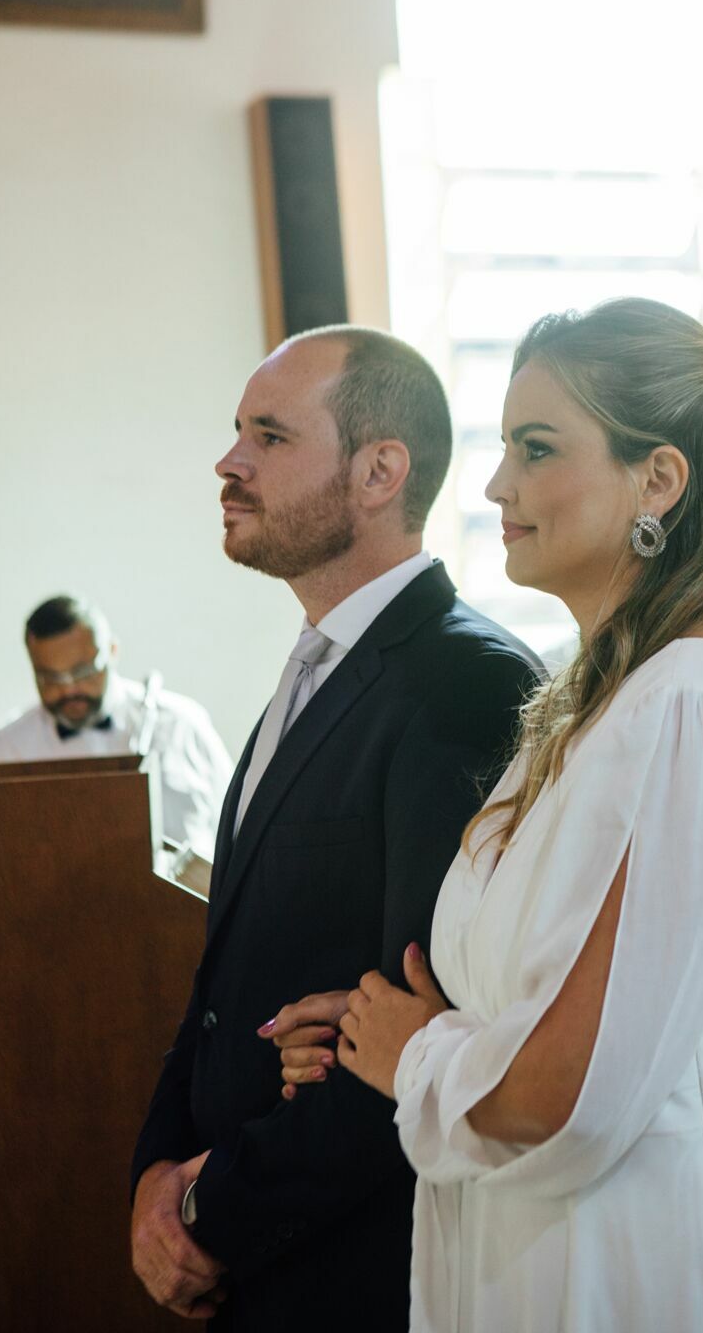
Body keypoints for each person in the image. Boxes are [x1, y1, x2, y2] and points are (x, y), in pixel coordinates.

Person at [269, 299, 703, 1332]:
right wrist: (376, 1026)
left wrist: (415, 1054)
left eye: (536, 447)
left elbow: (573, 1091)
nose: (495, 485)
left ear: (657, 478)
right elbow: (547, 1004)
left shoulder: (695, 702)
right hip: (559, 1250)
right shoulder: (588, 703)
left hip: (666, 1266)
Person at [129, 326, 541, 1328]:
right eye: (237, 432)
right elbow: (223, 982)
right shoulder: (309, 672)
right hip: (252, 1250)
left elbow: (421, 1024)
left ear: (377, 471)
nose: (228, 462)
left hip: (358, 1266)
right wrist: (153, 1172)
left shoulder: (466, 683)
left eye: (268, 436)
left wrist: (206, 1207)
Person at [0, 593, 231, 860]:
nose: (69, 689)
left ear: (112, 651)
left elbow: (238, 828)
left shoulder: (182, 726)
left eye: (83, 672)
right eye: (50, 678)